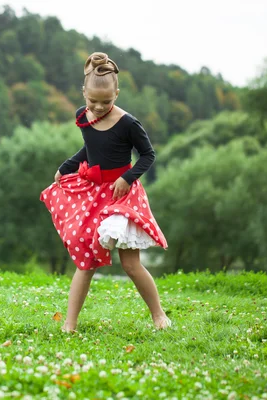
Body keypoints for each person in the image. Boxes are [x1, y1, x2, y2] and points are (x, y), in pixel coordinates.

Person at [40, 52, 171, 332]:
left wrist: (127, 176)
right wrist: (67, 166)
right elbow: (90, 148)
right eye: (92, 101)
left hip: (122, 194)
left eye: (107, 101)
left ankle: (159, 316)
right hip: (93, 192)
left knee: (131, 265)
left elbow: (148, 155)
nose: (99, 107)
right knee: (85, 259)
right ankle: (70, 324)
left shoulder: (128, 124)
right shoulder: (82, 115)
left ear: (117, 93)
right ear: (83, 92)